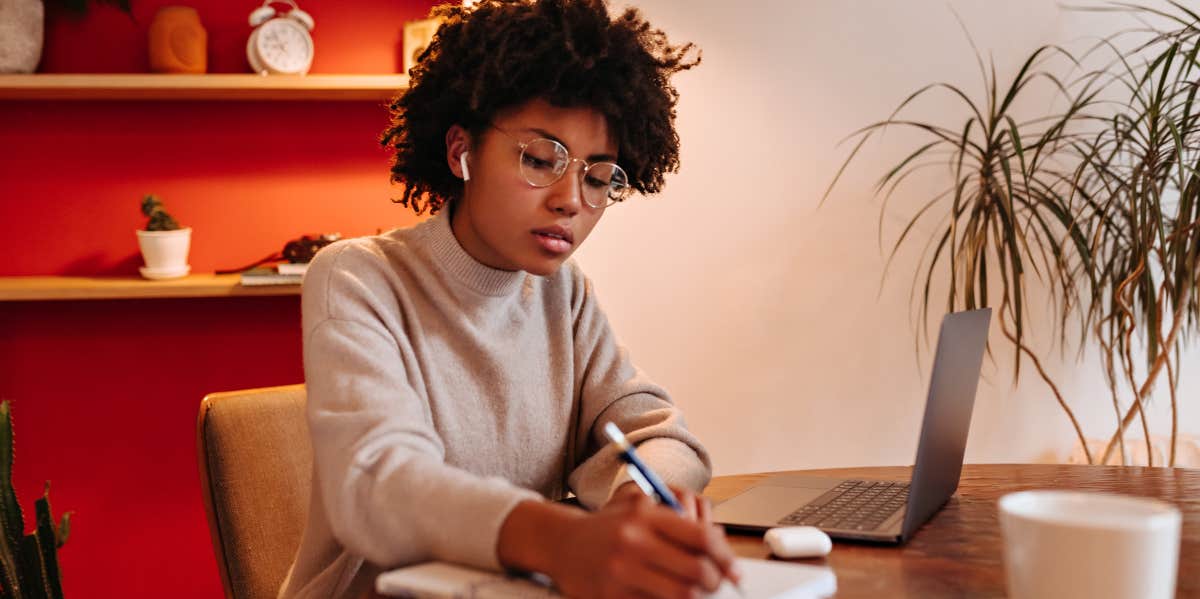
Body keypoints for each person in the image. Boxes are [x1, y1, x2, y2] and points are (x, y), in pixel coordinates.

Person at [277, 1, 740, 598]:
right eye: (541, 159)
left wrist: (637, 505)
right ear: (459, 151)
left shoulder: (564, 296)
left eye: (599, 178)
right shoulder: (360, 278)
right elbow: (378, 485)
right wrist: (564, 540)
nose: (571, 200)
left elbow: (665, 438)